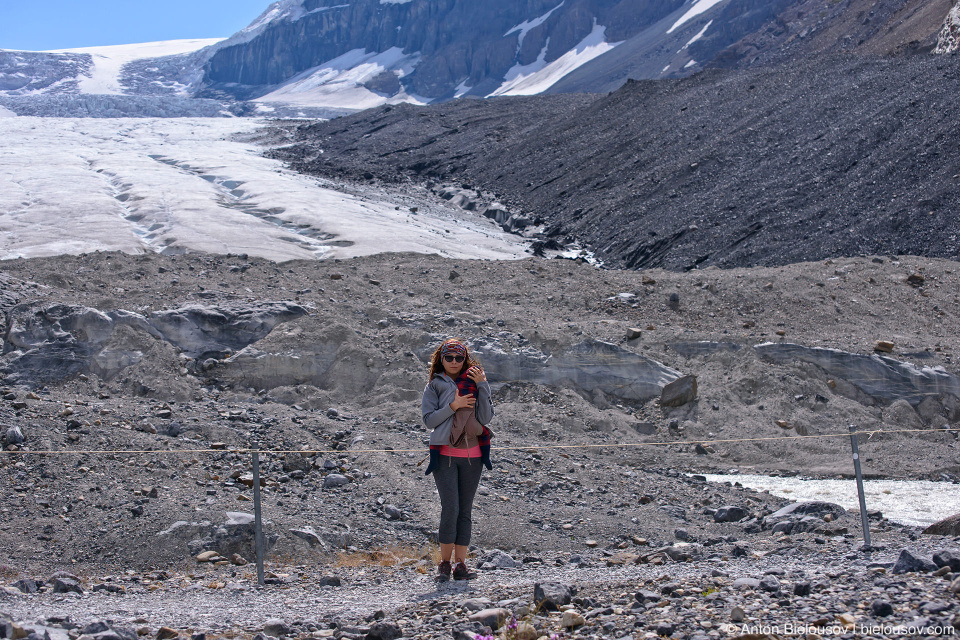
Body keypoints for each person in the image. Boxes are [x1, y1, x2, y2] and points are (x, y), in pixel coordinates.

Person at [422, 338, 494, 581]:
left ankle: (461, 565)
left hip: (473, 457)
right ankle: (444, 563)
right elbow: (429, 421)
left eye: (459, 358)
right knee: (450, 508)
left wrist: (482, 385)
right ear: (441, 360)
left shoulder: (475, 382)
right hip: (444, 456)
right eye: (449, 358)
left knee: (465, 511)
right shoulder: (434, 385)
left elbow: (485, 418)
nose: (454, 362)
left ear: (465, 360)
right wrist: (454, 405)